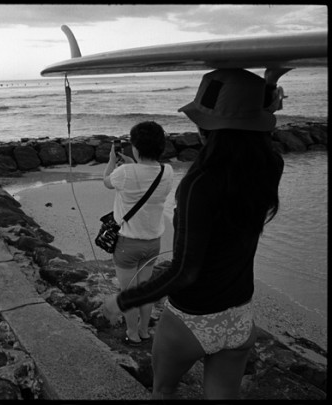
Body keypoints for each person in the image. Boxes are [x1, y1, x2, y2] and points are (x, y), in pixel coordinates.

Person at [102, 68, 288, 399]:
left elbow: (185, 271)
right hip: (240, 317)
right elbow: (260, 138)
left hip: (193, 320)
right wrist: (267, 93)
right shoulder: (269, 168)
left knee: (164, 390)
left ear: (205, 128)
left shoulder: (199, 185)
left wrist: (123, 299)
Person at [102, 121, 174, 345]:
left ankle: (132, 333)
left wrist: (113, 161)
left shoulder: (124, 172)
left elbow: (107, 182)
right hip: (153, 242)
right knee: (144, 290)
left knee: (128, 293)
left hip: (128, 244)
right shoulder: (167, 171)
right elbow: (145, 177)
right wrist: (133, 164)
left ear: (135, 146)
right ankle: (144, 330)